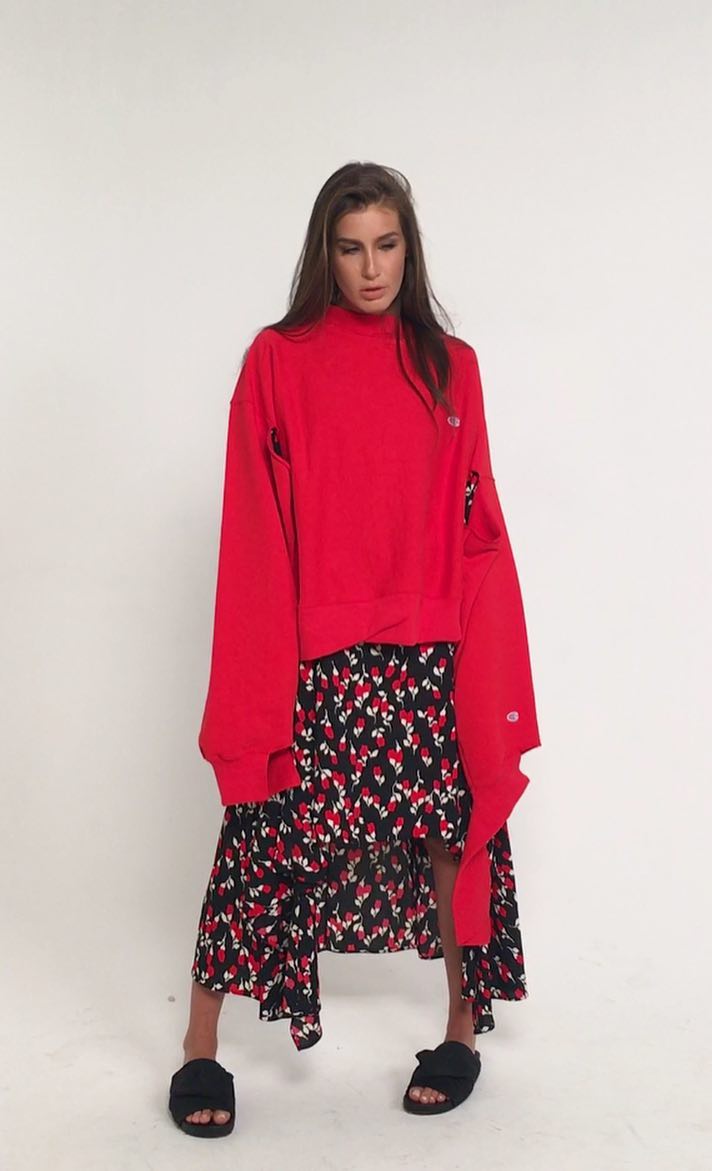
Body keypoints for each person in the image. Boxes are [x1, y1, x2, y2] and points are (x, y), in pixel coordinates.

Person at [167, 162, 541, 1136]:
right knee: (262, 840)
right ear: (323, 255)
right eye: (350, 248)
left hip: (426, 651)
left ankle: (459, 1029)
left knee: (448, 834)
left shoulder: (451, 366)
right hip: (315, 660)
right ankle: (199, 1045)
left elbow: (476, 521)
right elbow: (254, 521)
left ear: (408, 249)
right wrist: (265, 670)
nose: (370, 268)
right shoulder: (277, 360)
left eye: (386, 244)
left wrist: (483, 659)